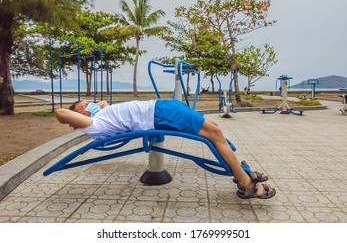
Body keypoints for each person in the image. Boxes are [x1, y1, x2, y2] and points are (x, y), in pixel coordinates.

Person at [55, 99, 276, 199]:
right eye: (84, 105)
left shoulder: (100, 114)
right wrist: (82, 114)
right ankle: (246, 184)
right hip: (159, 114)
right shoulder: (95, 125)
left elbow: (102, 104)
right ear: (81, 115)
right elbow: (60, 112)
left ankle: (240, 172)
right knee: (216, 135)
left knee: (215, 131)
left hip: (161, 108)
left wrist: (92, 107)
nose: (89, 102)